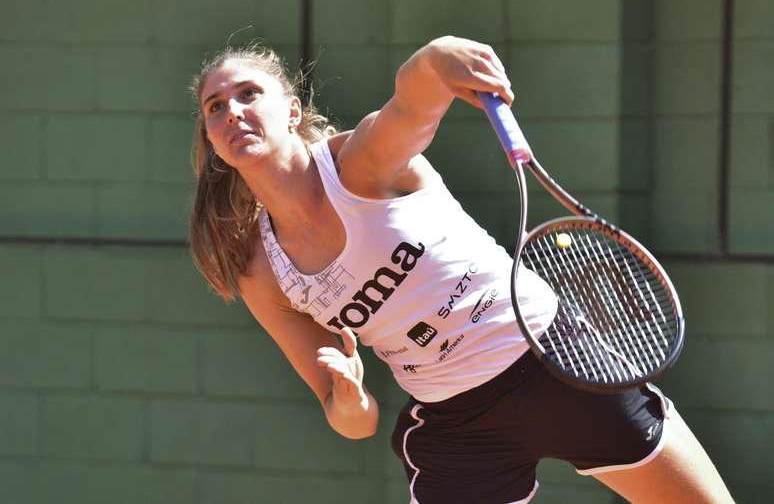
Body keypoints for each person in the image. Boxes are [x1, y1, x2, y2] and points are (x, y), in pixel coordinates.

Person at [188, 36, 733, 503]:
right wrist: (349, 397)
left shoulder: (362, 163)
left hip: (559, 362)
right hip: (458, 425)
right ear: (212, 140)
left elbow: (412, 102)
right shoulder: (262, 271)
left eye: (248, 94)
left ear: (290, 110)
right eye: (215, 106)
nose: (232, 111)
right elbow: (354, 421)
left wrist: (438, 57)